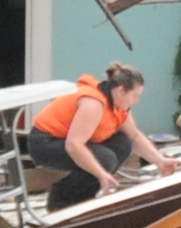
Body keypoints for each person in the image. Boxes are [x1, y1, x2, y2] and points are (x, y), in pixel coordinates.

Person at [22, 62, 173, 198]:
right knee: (105, 159)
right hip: (45, 143)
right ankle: (61, 199)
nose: (136, 101)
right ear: (121, 91)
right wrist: (101, 174)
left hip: (67, 141)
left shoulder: (118, 105)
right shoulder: (93, 104)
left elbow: (134, 135)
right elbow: (74, 145)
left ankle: (85, 195)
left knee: (123, 143)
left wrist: (160, 161)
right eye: (135, 96)